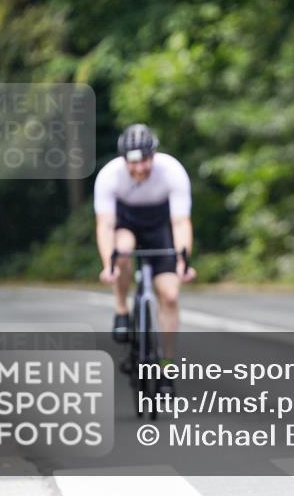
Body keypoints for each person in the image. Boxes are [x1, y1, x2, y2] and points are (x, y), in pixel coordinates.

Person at [94, 124, 196, 391]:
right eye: (133, 163)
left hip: (160, 225)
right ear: (123, 159)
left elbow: (181, 222)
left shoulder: (171, 171)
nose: (140, 169)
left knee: (170, 295)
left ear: (154, 155)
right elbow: (105, 225)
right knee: (123, 251)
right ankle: (121, 309)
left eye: (146, 161)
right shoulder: (109, 176)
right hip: (125, 223)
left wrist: (183, 262)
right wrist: (108, 265)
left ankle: (166, 366)